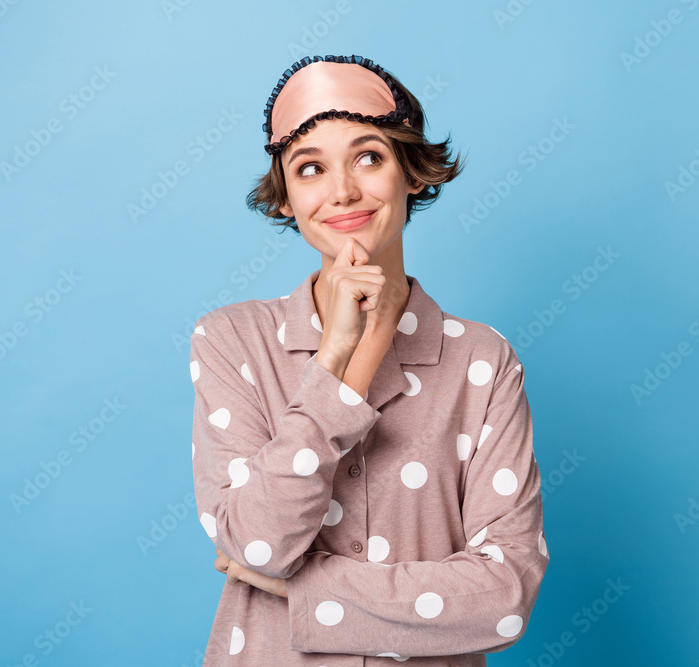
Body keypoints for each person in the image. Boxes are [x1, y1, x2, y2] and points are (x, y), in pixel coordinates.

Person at [189, 54, 549, 666]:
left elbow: (505, 596)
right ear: (285, 200)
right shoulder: (231, 341)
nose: (342, 191)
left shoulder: (482, 361)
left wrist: (297, 589)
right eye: (309, 169)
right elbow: (258, 544)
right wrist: (338, 362)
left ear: (411, 174)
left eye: (369, 157)